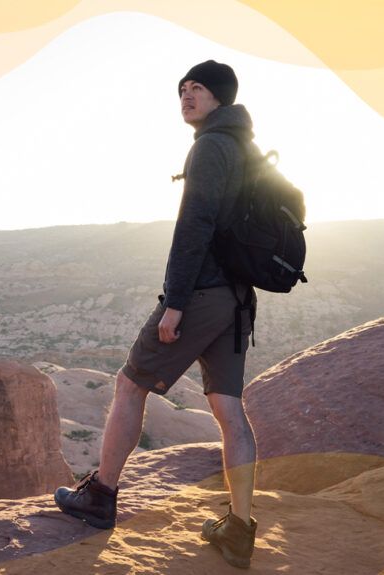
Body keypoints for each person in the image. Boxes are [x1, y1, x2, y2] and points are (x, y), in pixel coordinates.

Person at [53, 60, 259, 569]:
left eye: (199, 89)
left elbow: (195, 227)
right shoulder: (246, 147)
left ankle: (101, 496)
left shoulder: (210, 146)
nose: (188, 96)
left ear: (221, 97)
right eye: (183, 89)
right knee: (230, 412)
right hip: (236, 299)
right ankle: (239, 526)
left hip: (204, 293)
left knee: (129, 384)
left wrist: (175, 302)